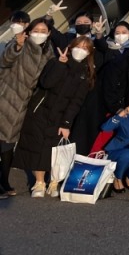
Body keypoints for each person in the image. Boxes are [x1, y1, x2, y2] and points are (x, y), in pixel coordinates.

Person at [14, 37, 95, 197]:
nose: (81, 50)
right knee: (37, 146)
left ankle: (54, 182)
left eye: (85, 48)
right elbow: (46, 83)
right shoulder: (55, 62)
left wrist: (66, 123)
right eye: (78, 46)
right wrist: (60, 64)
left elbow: (76, 102)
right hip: (40, 111)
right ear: (71, 47)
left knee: (54, 149)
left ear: (89, 53)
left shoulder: (86, 74)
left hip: (61, 116)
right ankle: (39, 183)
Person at [0, 16, 53, 197]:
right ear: (29, 31)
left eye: (43, 31)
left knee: (8, 144)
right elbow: (5, 61)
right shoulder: (19, 45)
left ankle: (4, 181)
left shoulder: (49, 53)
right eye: (36, 30)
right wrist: (18, 46)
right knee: (2, 141)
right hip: (5, 97)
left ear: (49, 34)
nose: (39, 34)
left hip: (24, 104)